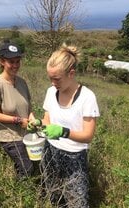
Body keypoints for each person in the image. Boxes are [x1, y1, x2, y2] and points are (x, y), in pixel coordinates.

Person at [27, 43, 100, 207]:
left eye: (57, 79)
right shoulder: (51, 92)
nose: (53, 83)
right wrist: (39, 123)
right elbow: (48, 121)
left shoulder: (87, 97)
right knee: (55, 196)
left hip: (74, 157)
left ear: (71, 73)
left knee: (77, 202)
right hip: (51, 151)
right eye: (50, 78)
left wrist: (63, 132)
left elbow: (87, 136)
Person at [0, 40, 34, 179]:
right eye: (11, 62)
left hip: (26, 134)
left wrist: (32, 119)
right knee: (27, 168)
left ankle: (26, 193)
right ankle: (21, 196)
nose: (15, 65)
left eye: (17, 61)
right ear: (2, 61)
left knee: (34, 165)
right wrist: (19, 120)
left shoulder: (22, 82)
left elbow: (28, 107)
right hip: (9, 136)